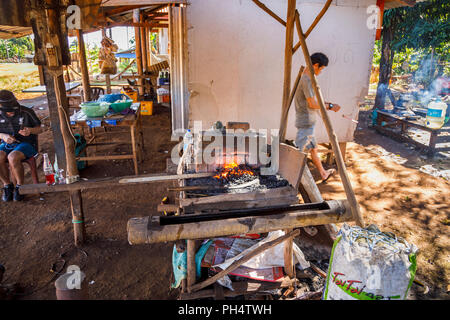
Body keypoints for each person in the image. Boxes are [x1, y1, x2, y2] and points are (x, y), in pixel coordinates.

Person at [294, 52, 341, 182]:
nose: (321, 71)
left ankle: (323, 173)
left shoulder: (307, 77)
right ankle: (290, 175)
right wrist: (330, 106)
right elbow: (313, 103)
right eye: (322, 68)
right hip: (306, 119)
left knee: (312, 148)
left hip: (306, 117)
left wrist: (327, 104)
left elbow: (314, 102)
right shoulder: (306, 80)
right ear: (315, 65)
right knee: (301, 148)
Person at [0, 90, 42, 201]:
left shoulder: (26, 111)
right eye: (7, 111)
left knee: (12, 157)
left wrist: (30, 130)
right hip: (7, 144)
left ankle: (20, 187)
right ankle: (7, 185)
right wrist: (3, 136)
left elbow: (40, 129)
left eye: (12, 110)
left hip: (27, 144)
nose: (10, 113)